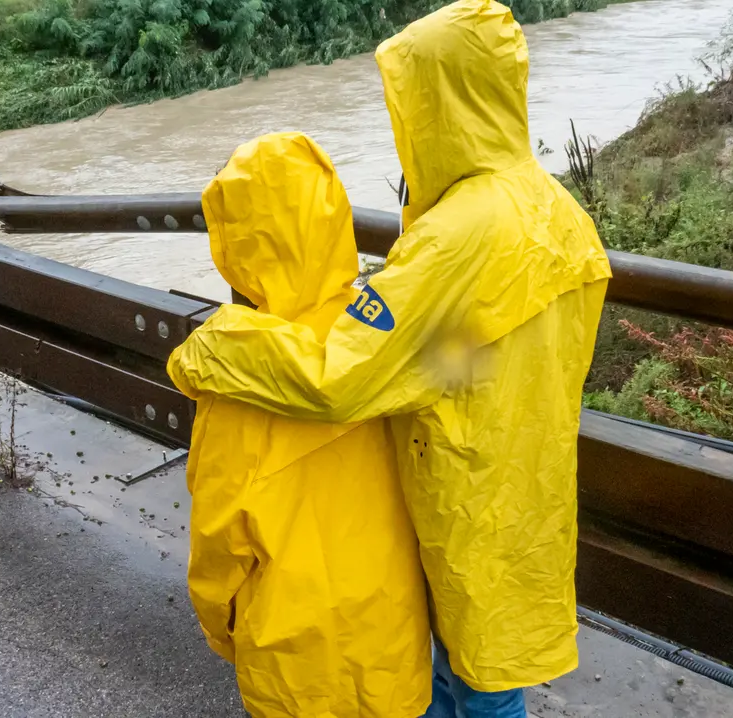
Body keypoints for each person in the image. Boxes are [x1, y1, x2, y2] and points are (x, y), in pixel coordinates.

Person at [169, 1, 612, 716]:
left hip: (456, 498)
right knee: (485, 679)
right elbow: (475, 355)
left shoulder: (458, 237)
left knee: (477, 694)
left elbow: (340, 377)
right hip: (523, 491)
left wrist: (217, 349)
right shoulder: (557, 211)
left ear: (440, 101)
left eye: (408, 101)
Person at [177, 131, 432, 718]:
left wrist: (224, 633)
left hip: (294, 662)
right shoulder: (382, 338)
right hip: (392, 635)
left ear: (234, 246)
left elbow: (218, 541)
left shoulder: (238, 378)